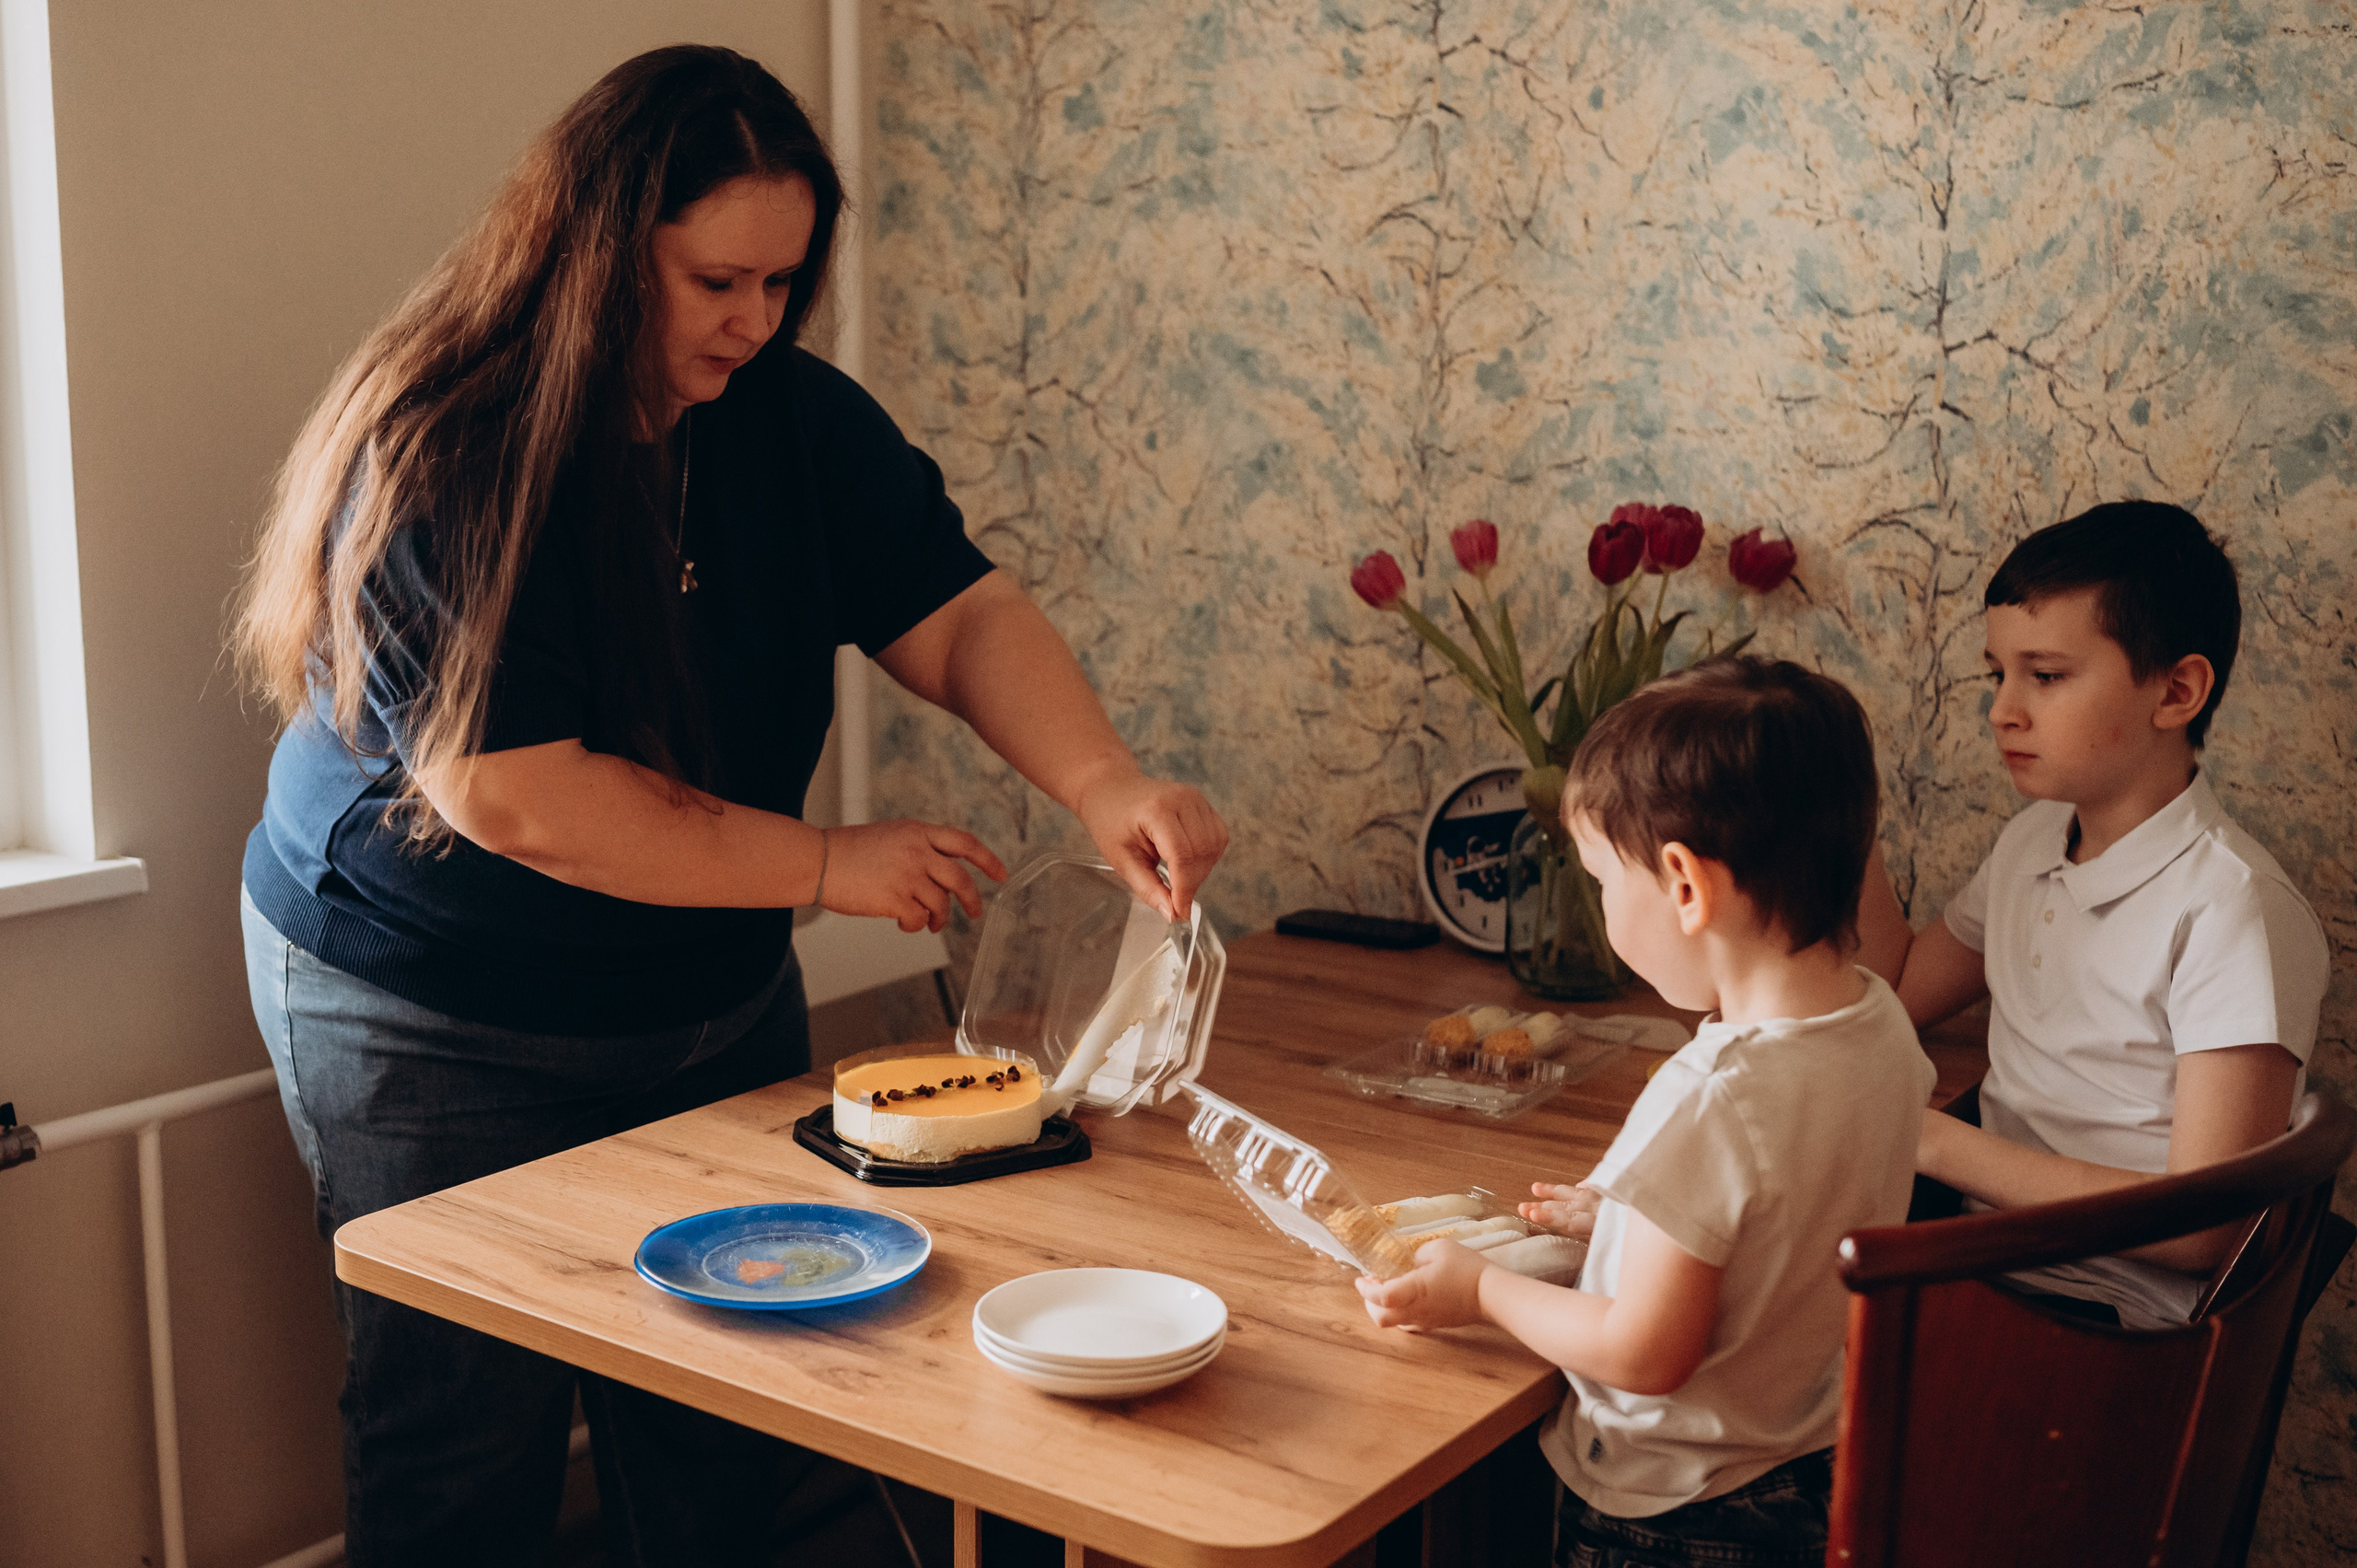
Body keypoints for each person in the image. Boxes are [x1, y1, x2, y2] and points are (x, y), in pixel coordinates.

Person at [232, 46, 1227, 1567]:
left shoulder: (791, 419)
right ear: (595, 248)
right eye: (715, 282)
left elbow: (956, 612)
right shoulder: (452, 448)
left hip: (696, 983)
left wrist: (1104, 780)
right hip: (432, 997)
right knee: (462, 1438)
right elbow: (522, 799)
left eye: (783, 282)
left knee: (731, 1400)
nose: (756, 322)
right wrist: (829, 860)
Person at [1359, 657, 1934, 1568]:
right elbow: (1781, 1214)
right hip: (1801, 1467)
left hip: (1671, 1510)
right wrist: (1634, 1218)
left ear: (1683, 884)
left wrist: (1480, 1288)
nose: (1599, 905)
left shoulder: (1710, 1092)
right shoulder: (1879, 1027)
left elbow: (1642, 1350)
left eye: (1598, 879)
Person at [1856, 502, 2329, 1328]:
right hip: (1987, 1270)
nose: (2003, 709)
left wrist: (1933, 1142)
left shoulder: (2231, 907)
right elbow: (1892, 990)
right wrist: (1845, 804)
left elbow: (2204, 1224)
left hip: (2103, 1328)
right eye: (1995, 674)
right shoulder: (2032, 840)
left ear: (2176, 690)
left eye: (2045, 675)